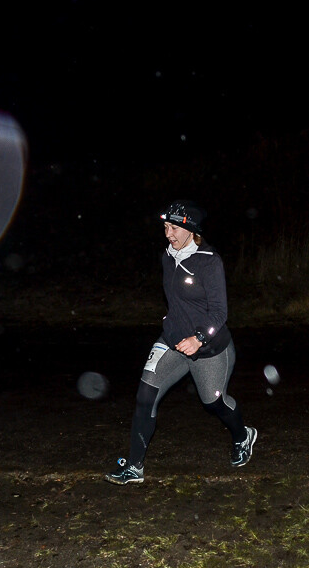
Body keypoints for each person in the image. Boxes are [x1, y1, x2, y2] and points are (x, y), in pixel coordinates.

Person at [105, 200, 257, 485]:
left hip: (210, 348)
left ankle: (242, 435)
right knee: (145, 395)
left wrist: (199, 338)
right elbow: (174, 301)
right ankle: (134, 467)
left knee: (213, 402)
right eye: (165, 227)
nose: (168, 234)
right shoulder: (167, 256)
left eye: (174, 228)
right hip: (172, 341)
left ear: (191, 230)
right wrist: (173, 325)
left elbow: (220, 312)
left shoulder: (209, 261)